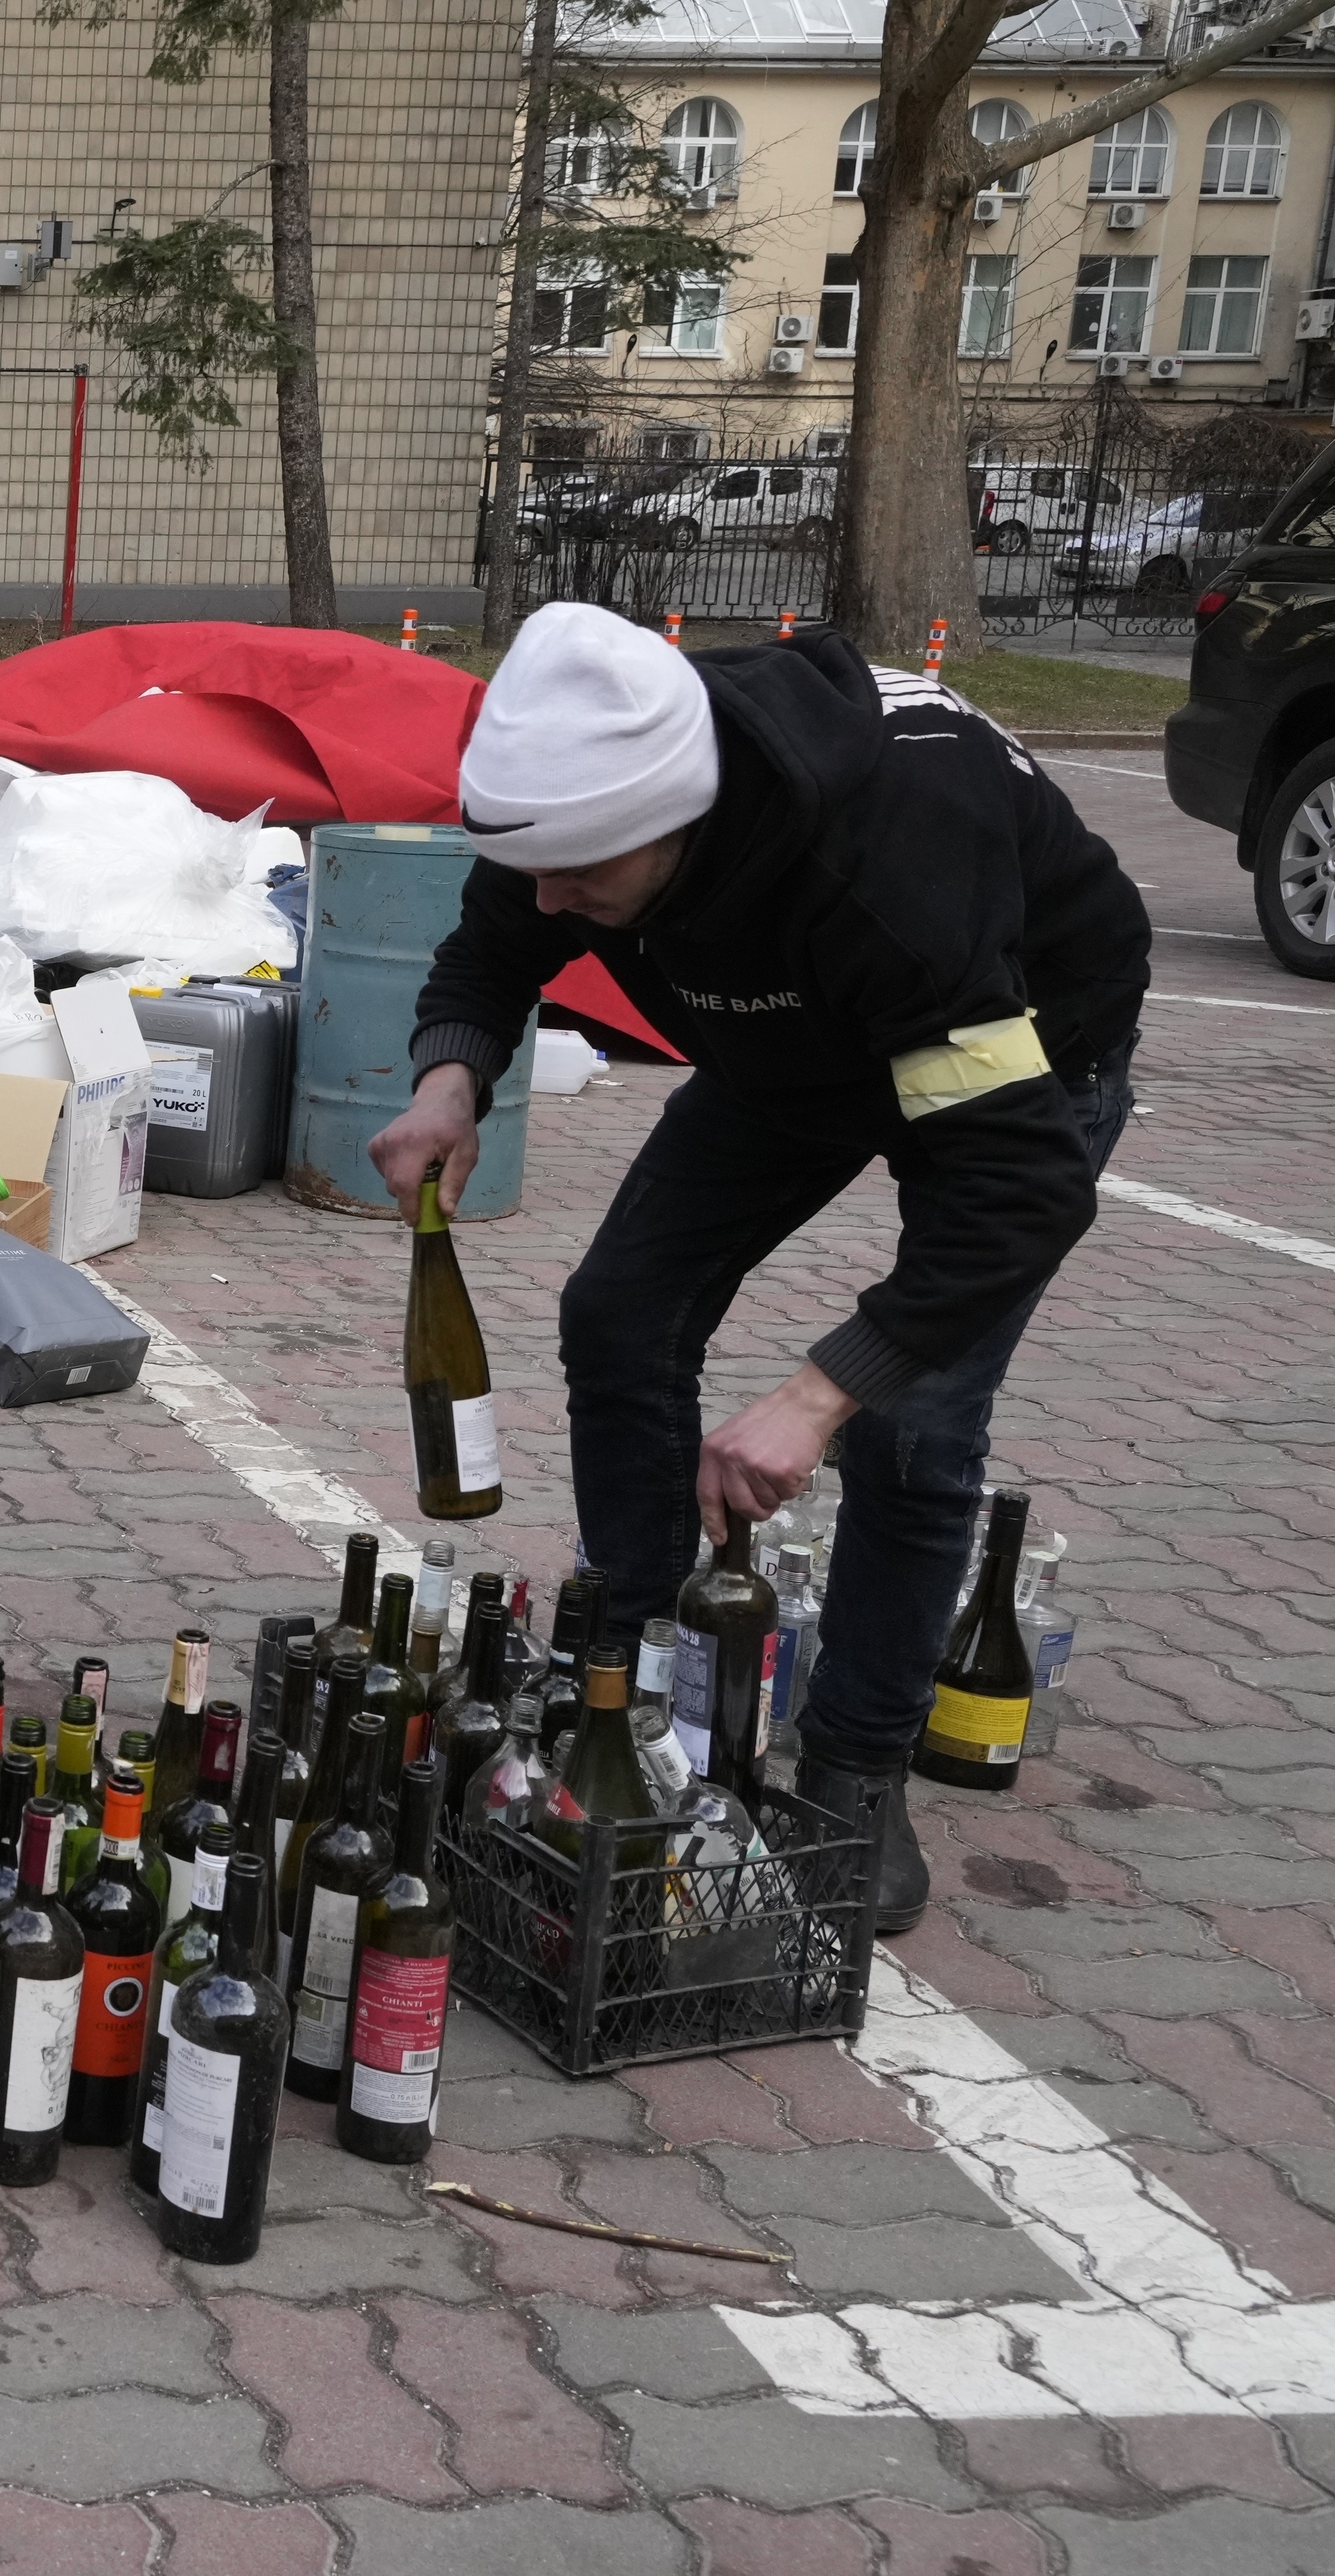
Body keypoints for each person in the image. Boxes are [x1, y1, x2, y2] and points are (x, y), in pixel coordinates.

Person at [370, 606, 1148, 1931]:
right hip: (785, 1049)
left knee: (908, 1421)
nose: (552, 896)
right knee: (618, 1308)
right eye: (537, 865)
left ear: (679, 822)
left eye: (581, 877)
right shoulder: (577, 799)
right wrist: (452, 1077)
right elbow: (499, 941)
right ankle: (624, 1690)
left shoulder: (893, 870)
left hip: (1014, 1052)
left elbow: (1018, 1194)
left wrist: (814, 1393)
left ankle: (857, 1765)